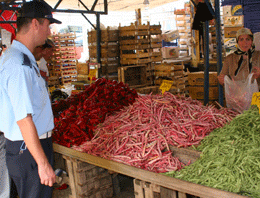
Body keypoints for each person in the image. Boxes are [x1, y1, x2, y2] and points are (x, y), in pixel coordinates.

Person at [0, 1, 61, 198]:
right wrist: (42, 164)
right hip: (28, 150)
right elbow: (24, 118)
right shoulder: (19, 64)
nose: (49, 31)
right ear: (36, 23)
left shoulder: (18, 57)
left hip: (26, 148)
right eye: (48, 25)